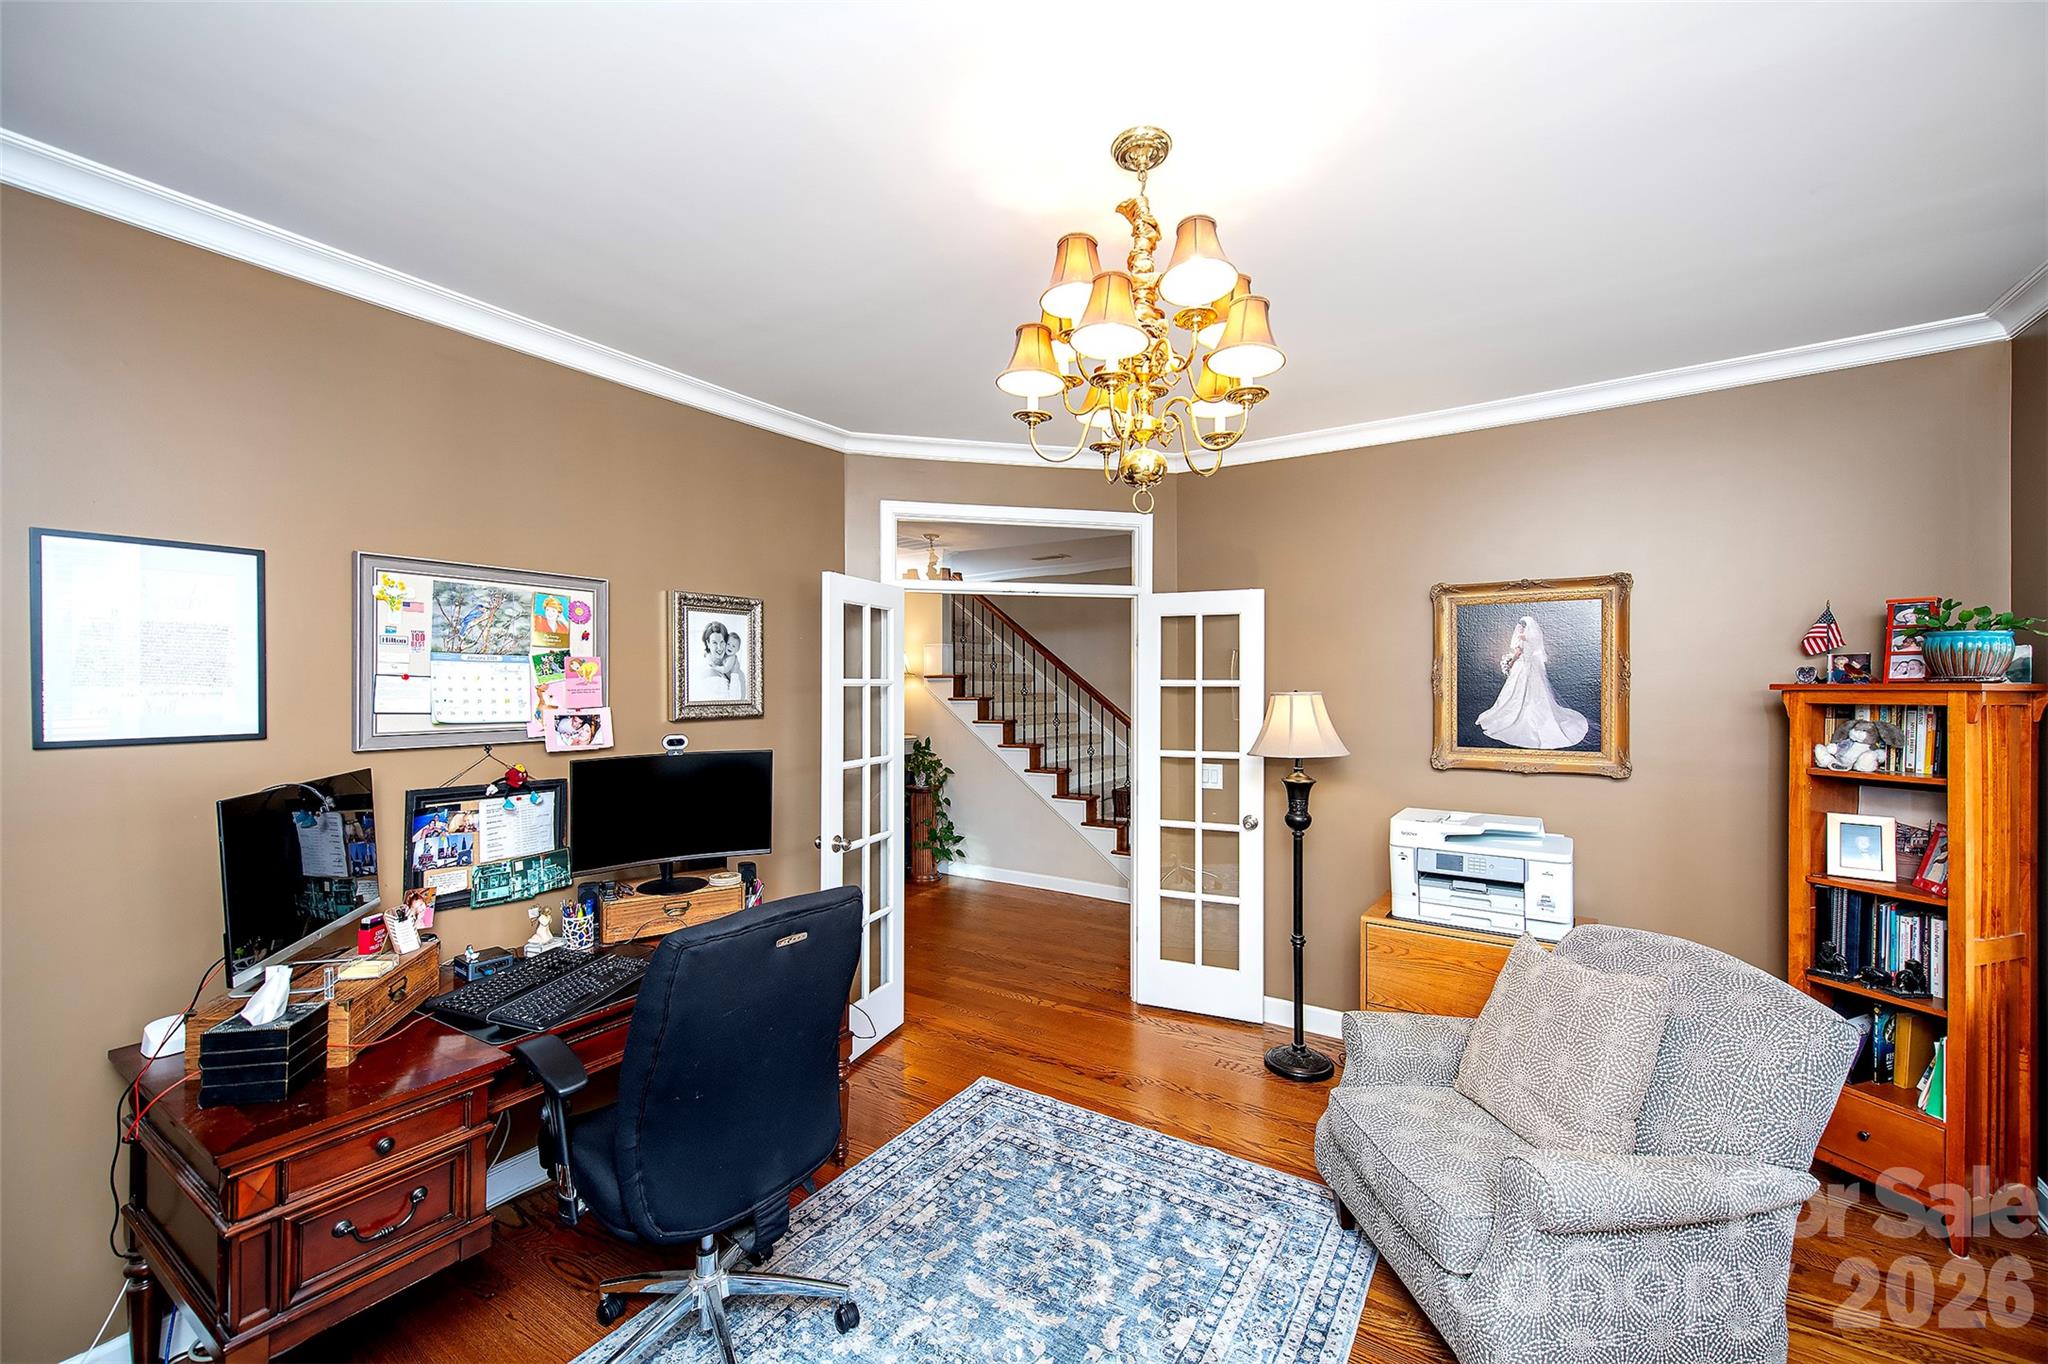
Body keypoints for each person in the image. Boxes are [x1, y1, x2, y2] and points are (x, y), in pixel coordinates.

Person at [1475, 615, 1590, 749]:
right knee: (1538, 693)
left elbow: (1517, 654)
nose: (1518, 629)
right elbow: (1535, 652)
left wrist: (1510, 663)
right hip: (1534, 669)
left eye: (1520, 627)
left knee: (1515, 693)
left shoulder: (1521, 638)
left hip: (1523, 668)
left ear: (1523, 627)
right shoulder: (1534, 637)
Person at [699, 619, 748, 699]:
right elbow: (733, 702)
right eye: (715, 643)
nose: (719, 648)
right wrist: (734, 673)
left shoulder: (726, 659)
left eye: (722, 642)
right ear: (708, 643)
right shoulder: (709, 674)